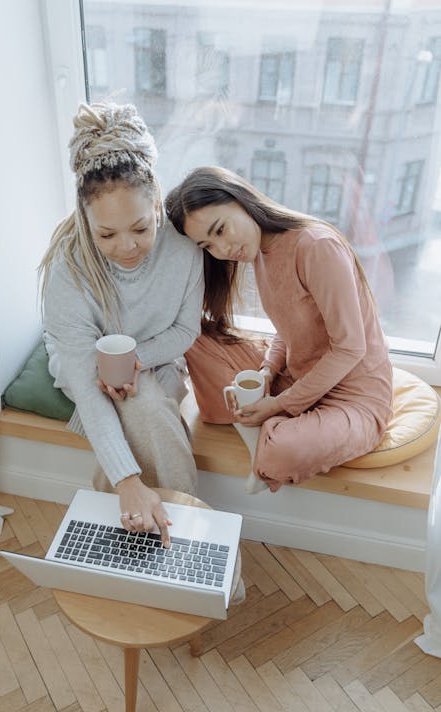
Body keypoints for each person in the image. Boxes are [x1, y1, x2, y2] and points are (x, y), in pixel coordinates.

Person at [165, 166, 393, 494]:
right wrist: (267, 371)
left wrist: (280, 404)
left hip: (354, 396)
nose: (222, 249)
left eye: (220, 229)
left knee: (283, 452)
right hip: (298, 377)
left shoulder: (316, 246)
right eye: (207, 245)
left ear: (240, 199)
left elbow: (349, 348)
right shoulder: (259, 253)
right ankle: (268, 427)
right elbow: (286, 331)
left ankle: (270, 434)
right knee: (195, 337)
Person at [38, 101, 204, 545]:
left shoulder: (184, 250)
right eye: (106, 234)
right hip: (83, 363)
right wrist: (129, 479)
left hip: (158, 356)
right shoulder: (68, 269)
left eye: (140, 228)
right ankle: (187, 532)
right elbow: (84, 378)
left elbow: (185, 333)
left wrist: (136, 362)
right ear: (85, 219)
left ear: (155, 203)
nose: (127, 247)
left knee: (144, 403)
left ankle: (121, 534)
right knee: (143, 408)